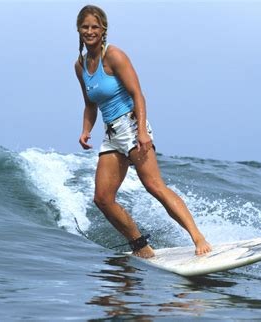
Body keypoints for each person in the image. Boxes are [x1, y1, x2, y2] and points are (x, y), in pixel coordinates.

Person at [74, 5, 211, 258]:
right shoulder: (80, 65)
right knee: (102, 199)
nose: (90, 31)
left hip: (131, 125)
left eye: (95, 26)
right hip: (111, 134)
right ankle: (141, 247)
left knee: (154, 186)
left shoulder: (114, 56)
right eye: (85, 27)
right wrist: (85, 130)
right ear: (78, 30)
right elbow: (90, 104)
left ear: (103, 29)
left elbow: (138, 94)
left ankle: (198, 237)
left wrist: (143, 132)